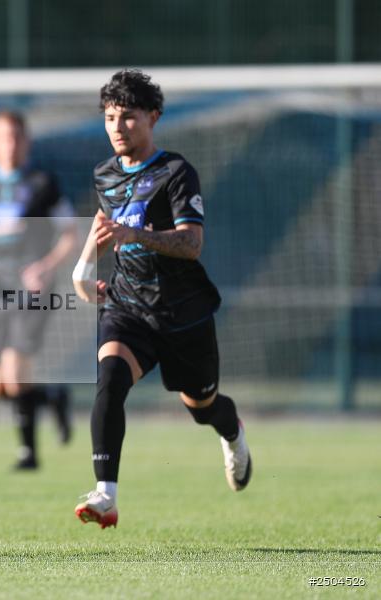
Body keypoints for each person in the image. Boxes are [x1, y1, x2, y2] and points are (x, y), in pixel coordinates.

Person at [72, 69, 252, 528]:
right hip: (127, 305)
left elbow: (192, 243)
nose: (117, 126)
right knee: (110, 378)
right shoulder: (105, 174)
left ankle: (232, 433)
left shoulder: (176, 172)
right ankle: (105, 495)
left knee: (203, 406)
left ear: (153, 118)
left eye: (128, 117)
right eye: (110, 117)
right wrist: (81, 269)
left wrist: (136, 233)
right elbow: (103, 223)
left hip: (183, 313)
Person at [0, 110, 78, 471]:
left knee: (14, 372)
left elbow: (70, 232)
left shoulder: (42, 183)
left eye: (17, 137)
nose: (10, 144)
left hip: (32, 289)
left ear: (27, 142)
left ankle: (28, 454)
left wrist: (46, 266)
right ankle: (54, 398)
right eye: (3, 137)